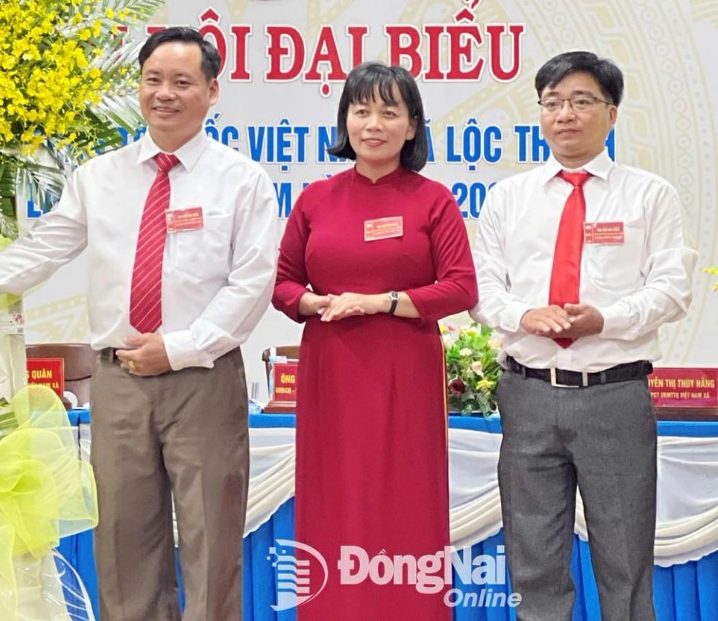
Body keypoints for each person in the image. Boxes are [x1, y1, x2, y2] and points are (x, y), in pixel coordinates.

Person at [0, 26, 278, 621]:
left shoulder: (242, 180)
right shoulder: (100, 177)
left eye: (182, 82)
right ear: (139, 87)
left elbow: (251, 285)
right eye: (153, 80)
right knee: (121, 541)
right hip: (118, 381)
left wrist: (179, 347)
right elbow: (35, 255)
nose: (164, 94)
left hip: (203, 377)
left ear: (212, 91)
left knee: (211, 539)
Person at [471, 51, 695, 621]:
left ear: (612, 114)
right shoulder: (507, 199)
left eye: (580, 101)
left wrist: (605, 320)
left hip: (614, 394)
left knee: (624, 557)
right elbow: (480, 289)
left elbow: (672, 290)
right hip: (528, 394)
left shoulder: (650, 196)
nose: (564, 114)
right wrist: (524, 316)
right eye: (551, 103)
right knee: (533, 555)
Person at [270, 62, 477, 619]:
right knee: (335, 497)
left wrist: (382, 301)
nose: (374, 124)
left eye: (390, 112)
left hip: (403, 369)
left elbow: (460, 287)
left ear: (412, 126)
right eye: (361, 111)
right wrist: (312, 303)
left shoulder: (434, 200)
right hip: (331, 369)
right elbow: (283, 282)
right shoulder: (315, 199)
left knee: (405, 496)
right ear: (345, 121)